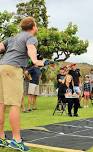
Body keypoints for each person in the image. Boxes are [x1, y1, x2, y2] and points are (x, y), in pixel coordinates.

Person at [0, 17, 51, 151]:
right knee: (15, 104)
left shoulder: (12, 38)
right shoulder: (30, 37)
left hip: (1, 67)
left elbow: (0, 47)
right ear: (33, 27)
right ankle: (16, 140)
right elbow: (31, 49)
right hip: (13, 69)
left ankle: (0, 137)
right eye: (36, 25)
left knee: (1, 103)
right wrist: (37, 61)